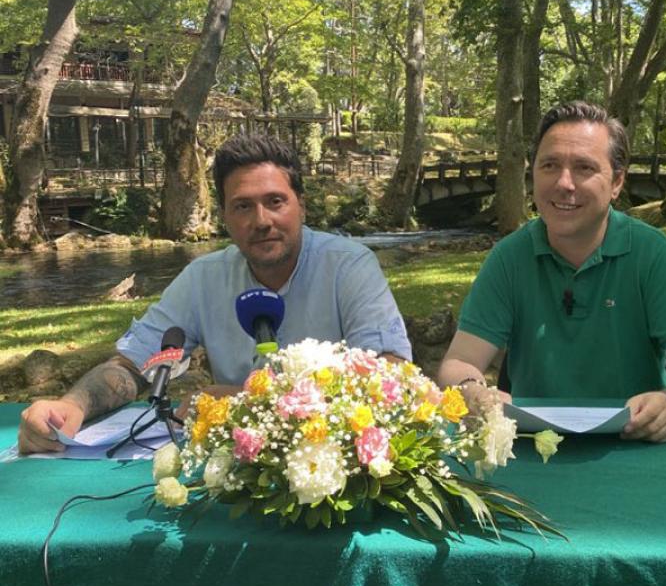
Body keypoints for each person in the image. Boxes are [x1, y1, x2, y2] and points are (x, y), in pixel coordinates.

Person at [19, 135, 412, 454]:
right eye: (242, 207)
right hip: (234, 469)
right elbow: (132, 366)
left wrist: (246, 402)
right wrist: (71, 405)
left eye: (275, 201)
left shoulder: (349, 267)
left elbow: (391, 375)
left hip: (338, 464)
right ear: (224, 217)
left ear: (302, 207)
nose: (261, 221)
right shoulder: (203, 278)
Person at [437, 101, 666, 443]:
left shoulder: (653, 255)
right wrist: (472, 390)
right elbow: (458, 362)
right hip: (533, 449)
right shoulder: (509, 258)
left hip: (636, 444)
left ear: (617, 181)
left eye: (584, 168)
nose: (564, 183)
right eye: (550, 165)